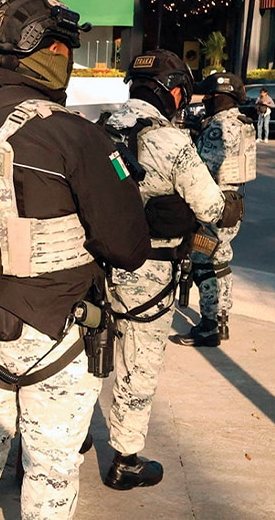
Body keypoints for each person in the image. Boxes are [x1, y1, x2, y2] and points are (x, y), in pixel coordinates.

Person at [0, 0, 150, 519]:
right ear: (49, 51)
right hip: (55, 331)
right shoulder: (74, 135)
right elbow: (128, 248)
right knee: (50, 465)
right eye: (65, 48)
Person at [100, 50, 226, 490]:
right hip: (150, 274)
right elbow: (212, 204)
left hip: (97, 267)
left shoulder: (100, 128)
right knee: (139, 363)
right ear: (174, 91)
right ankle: (125, 459)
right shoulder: (172, 141)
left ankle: (69, 437)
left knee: (84, 357)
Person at [172, 72, 256, 348]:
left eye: (209, 97)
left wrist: (192, 137)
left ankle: (209, 327)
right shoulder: (244, 124)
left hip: (212, 206)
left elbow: (201, 169)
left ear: (221, 98)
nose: (205, 102)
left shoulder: (218, 128)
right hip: (233, 203)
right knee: (221, 263)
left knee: (204, 264)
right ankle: (221, 318)